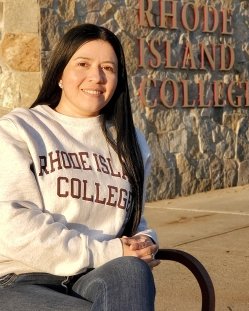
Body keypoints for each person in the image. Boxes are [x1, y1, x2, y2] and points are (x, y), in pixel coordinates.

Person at [0, 24, 159, 310]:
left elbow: (130, 220)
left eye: (108, 68)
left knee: (132, 272)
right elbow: (13, 227)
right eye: (83, 64)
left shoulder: (130, 140)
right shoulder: (19, 130)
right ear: (60, 73)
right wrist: (109, 250)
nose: (96, 77)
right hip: (23, 278)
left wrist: (143, 240)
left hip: (97, 275)